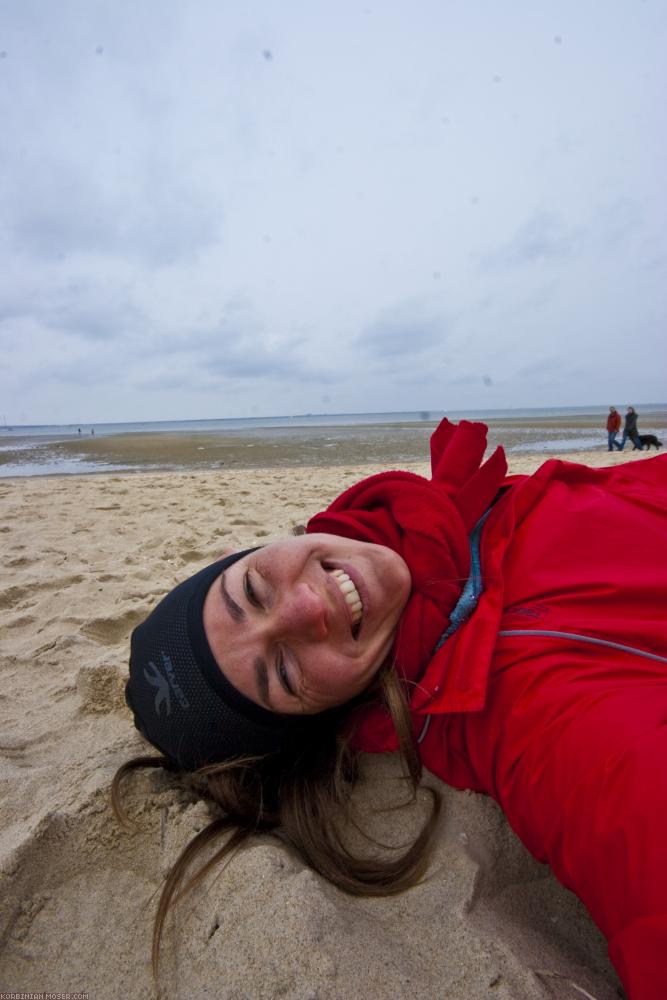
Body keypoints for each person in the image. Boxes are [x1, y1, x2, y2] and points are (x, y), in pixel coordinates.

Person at [114, 418, 667, 1000]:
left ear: (242, 552)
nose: (306, 605)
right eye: (282, 672)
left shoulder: (448, 515)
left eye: (252, 591)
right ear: (321, 719)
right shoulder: (527, 716)